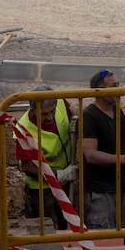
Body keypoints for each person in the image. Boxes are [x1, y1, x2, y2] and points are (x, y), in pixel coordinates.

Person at [79, 70, 125, 229]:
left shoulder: (116, 111)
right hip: (99, 190)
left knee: (121, 233)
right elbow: (91, 155)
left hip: (118, 185)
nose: (118, 90)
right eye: (114, 86)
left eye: (118, 85)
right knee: (103, 237)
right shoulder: (89, 116)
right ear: (100, 92)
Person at [18, 86, 77, 231]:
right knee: (48, 229)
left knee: (66, 224)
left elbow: (71, 114)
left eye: (52, 111)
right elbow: (26, 166)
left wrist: (76, 122)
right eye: (44, 114)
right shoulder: (23, 129)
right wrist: (59, 175)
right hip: (42, 189)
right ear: (32, 111)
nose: (50, 117)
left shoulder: (61, 103)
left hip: (67, 178)